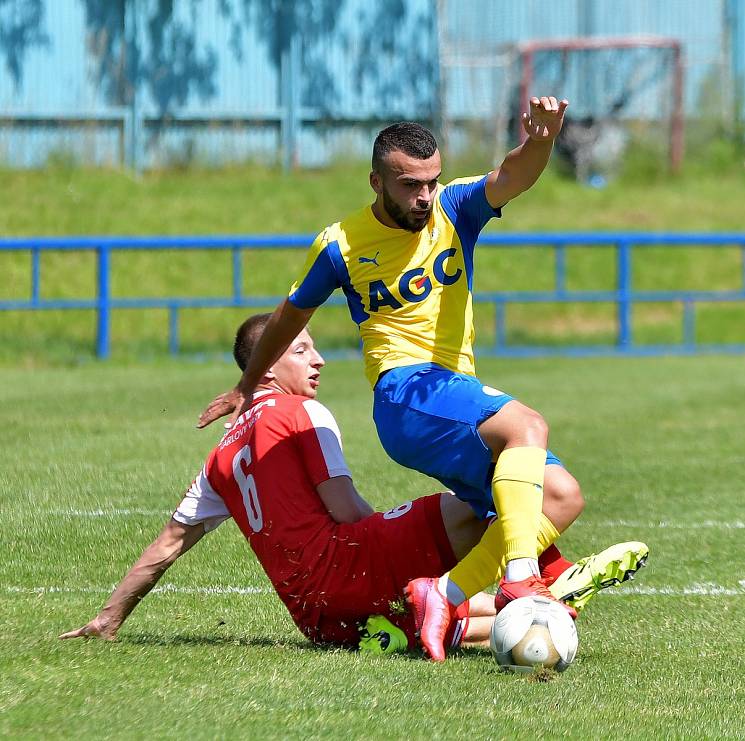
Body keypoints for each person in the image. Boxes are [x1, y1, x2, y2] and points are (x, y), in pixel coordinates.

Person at [197, 97, 644, 660]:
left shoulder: (455, 210)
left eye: (431, 181)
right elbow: (290, 316)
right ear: (376, 181)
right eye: (410, 184)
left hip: (450, 395)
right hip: (405, 393)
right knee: (528, 425)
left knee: (558, 498)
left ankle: (443, 593)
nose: (424, 196)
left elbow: (512, 176)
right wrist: (248, 384)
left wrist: (543, 141)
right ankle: (523, 581)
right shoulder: (341, 245)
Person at [62, 314, 647, 654]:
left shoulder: (220, 456)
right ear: (267, 365)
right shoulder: (301, 416)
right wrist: (393, 535)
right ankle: (546, 583)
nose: (317, 361)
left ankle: (542, 613)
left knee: (420, 624)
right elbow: (345, 512)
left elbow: (167, 545)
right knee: (473, 506)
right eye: (300, 349)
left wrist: (110, 618)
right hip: (353, 565)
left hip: (318, 619)